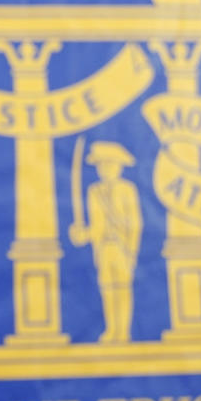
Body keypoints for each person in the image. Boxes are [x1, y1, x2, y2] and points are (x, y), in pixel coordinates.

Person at [68, 141, 143, 343]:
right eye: (102, 165)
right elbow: (96, 226)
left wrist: (131, 251)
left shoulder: (128, 190)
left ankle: (124, 331)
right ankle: (111, 329)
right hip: (103, 248)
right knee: (108, 288)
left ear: (119, 167)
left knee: (123, 288)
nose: (106, 169)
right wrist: (83, 235)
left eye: (110, 165)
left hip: (122, 247)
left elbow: (135, 222)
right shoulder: (94, 191)